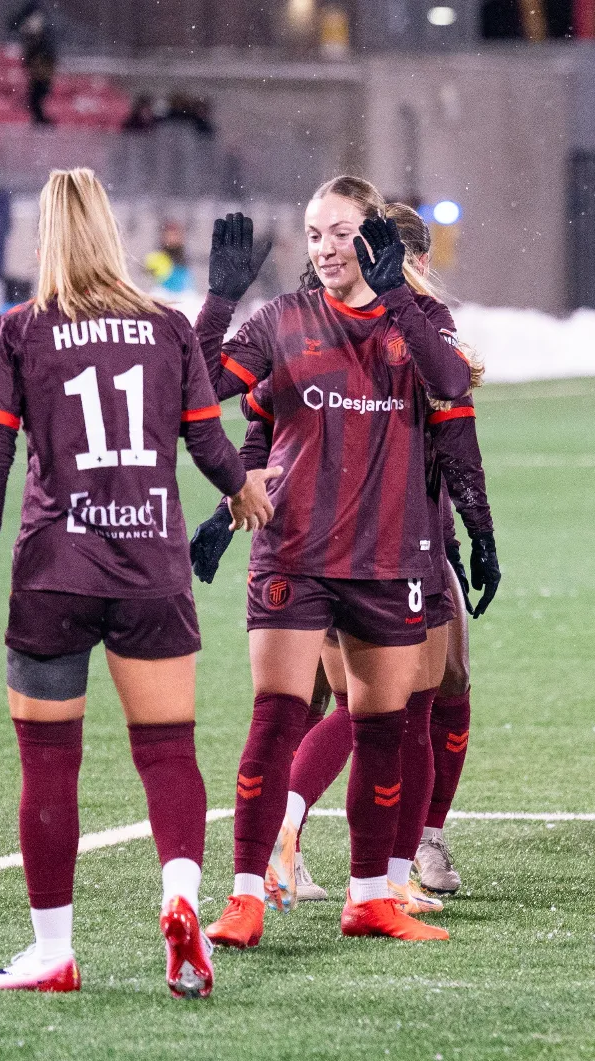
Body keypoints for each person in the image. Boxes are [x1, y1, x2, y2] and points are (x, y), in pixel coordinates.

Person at [0, 167, 276, 996]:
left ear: (45, 239)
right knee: (169, 752)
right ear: (111, 233)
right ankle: (179, 899)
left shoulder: (19, 329)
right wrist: (243, 491)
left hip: (55, 572)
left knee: (50, 765)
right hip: (151, 570)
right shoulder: (167, 326)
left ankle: (54, 951)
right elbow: (209, 443)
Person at [190, 177, 477, 947]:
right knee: (276, 720)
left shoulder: (417, 323)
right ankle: (246, 894)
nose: (323, 247)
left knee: (384, 729)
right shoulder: (281, 320)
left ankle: (369, 898)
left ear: (372, 237)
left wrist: (399, 301)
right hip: (297, 554)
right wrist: (219, 303)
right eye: (313, 232)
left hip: (389, 558)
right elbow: (197, 387)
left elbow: (451, 388)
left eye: (339, 231)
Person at [251, 202, 495, 910]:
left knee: (341, 704)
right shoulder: (412, 325)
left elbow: (262, 420)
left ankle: (304, 845)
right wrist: (479, 530)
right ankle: (406, 851)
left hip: (312, 541)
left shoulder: (310, 322)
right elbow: (454, 433)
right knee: (420, 698)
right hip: (395, 547)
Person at [10, 2, 56, 126]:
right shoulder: (37, 29)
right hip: (38, 64)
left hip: (40, 64)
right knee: (36, 94)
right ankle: (39, 119)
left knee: (37, 94)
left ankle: (39, 118)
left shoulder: (41, 34)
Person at [144, 221, 192, 293]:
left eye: (174, 235)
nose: (172, 238)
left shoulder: (186, 258)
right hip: (163, 295)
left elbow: (188, 285)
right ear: (163, 237)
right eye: (169, 235)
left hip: (182, 296)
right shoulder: (157, 257)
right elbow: (148, 278)